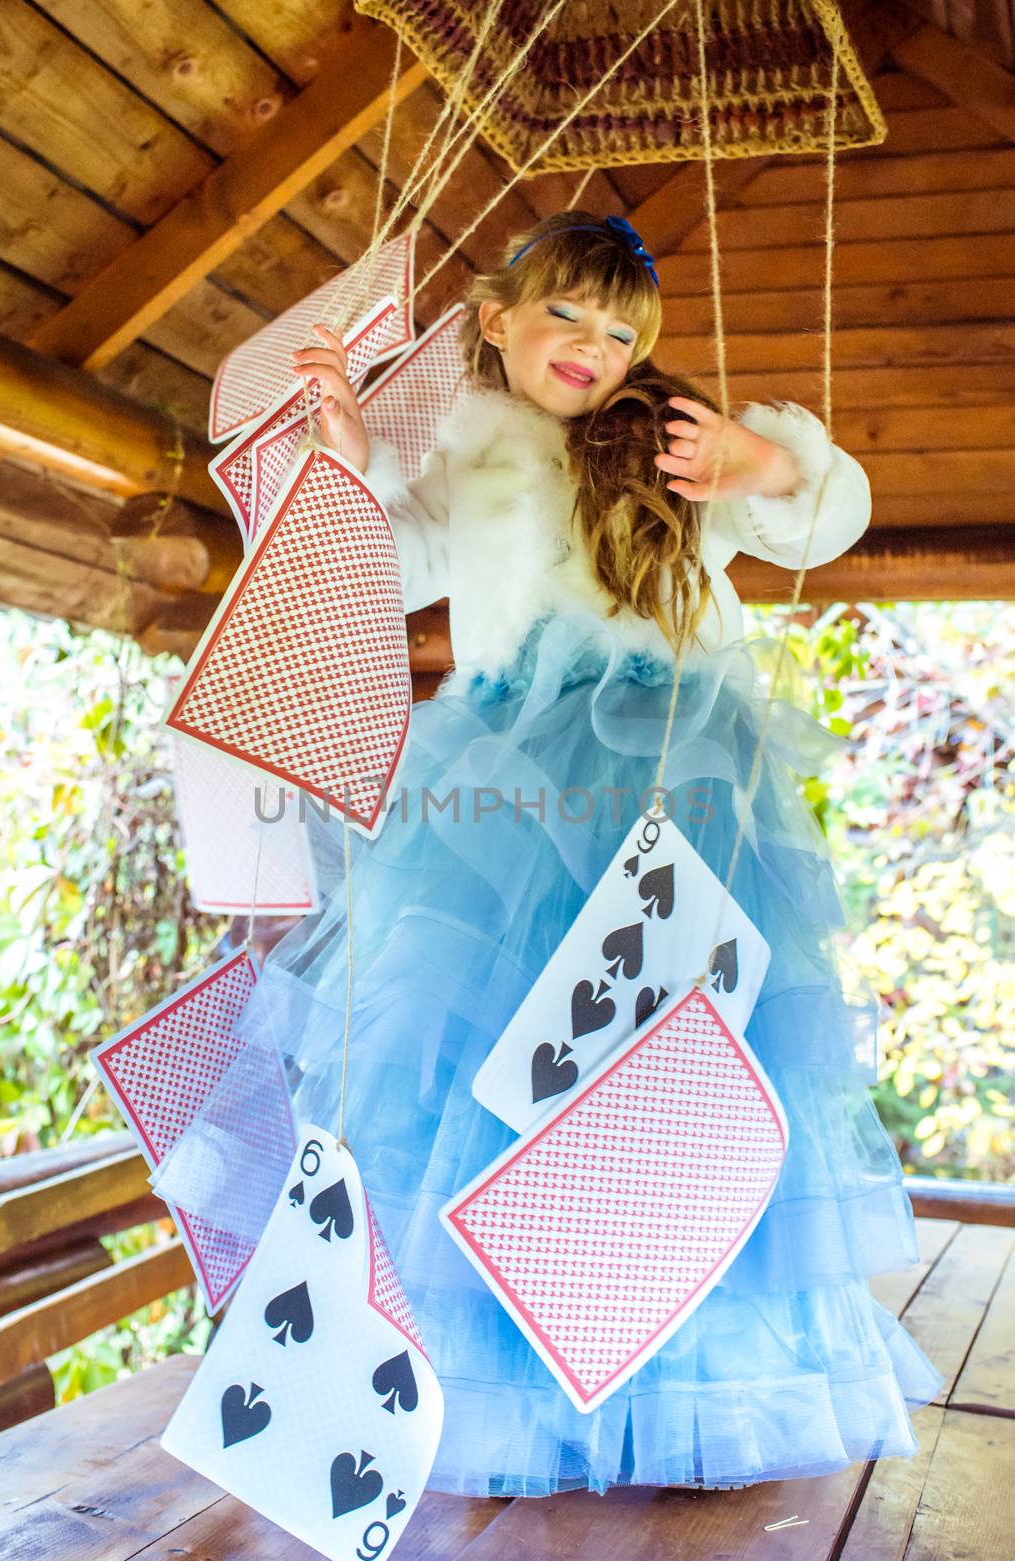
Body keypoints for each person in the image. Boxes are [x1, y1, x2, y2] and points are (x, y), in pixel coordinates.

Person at [221, 212, 944, 1495]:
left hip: (674, 776)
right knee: (499, 1052)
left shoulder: (671, 443)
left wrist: (756, 462)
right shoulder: (470, 448)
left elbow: (828, 517)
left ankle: (691, 1376)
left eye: (623, 332)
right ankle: (522, 1380)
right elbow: (383, 569)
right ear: (494, 320)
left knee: (677, 1057)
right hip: (508, 789)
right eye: (568, 315)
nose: (595, 348)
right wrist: (348, 455)